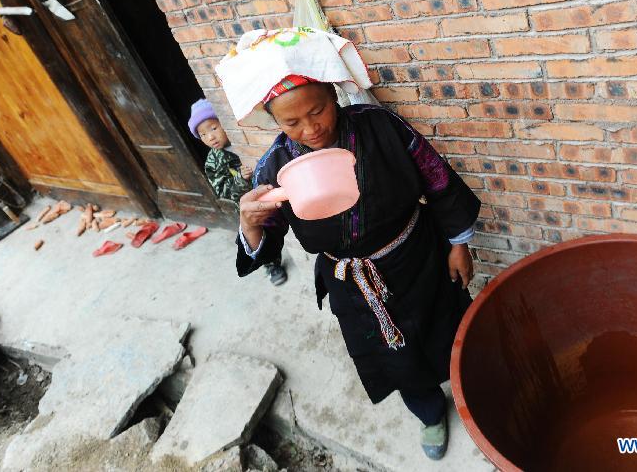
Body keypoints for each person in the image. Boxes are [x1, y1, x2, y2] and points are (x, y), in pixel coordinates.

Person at [232, 76, 481, 460]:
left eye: (318, 111)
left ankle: (475, 390)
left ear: (334, 96)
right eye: (291, 122)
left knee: (451, 328)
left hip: (419, 256)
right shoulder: (275, 167)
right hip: (353, 283)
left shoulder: (380, 126)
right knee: (396, 355)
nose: (310, 128)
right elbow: (267, 239)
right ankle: (430, 413)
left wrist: (458, 244)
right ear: (275, 123)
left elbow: (437, 179)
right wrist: (250, 224)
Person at [188, 98, 288, 286]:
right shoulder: (213, 161)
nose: (210, 137)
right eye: (203, 134)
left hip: (273, 195)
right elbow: (222, 190)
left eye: (213, 128)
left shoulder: (245, 140)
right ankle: (271, 265)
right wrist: (240, 180)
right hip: (251, 209)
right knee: (262, 237)